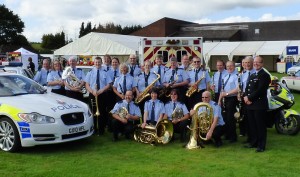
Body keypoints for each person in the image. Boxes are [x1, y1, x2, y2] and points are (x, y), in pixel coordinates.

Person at [243, 56, 271, 152]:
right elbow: (247, 88)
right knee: (252, 125)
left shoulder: (264, 75)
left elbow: (260, 90)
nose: (255, 64)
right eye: (254, 62)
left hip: (259, 105)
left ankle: (261, 146)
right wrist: (246, 97)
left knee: (260, 126)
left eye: (258, 62)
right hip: (250, 105)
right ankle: (254, 143)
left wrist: (249, 98)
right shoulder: (253, 75)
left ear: (262, 64)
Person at [85, 56, 112, 135]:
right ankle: (94, 129)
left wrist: (101, 90)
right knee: (93, 112)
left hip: (102, 94)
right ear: (94, 62)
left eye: (99, 62)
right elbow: (87, 85)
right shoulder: (90, 72)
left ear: (101, 63)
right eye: (96, 62)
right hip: (93, 94)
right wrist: (92, 91)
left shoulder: (105, 72)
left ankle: (101, 129)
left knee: (102, 112)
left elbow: (109, 84)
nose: (97, 64)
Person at [218, 61, 238, 143]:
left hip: (232, 98)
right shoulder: (225, 76)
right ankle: (227, 134)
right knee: (225, 117)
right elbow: (222, 90)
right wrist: (219, 101)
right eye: (228, 66)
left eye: (231, 66)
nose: (229, 67)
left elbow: (238, 89)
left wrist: (227, 93)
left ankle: (233, 137)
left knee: (230, 118)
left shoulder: (236, 76)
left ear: (234, 66)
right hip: (224, 99)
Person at [238, 56, 256, 139]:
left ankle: (253, 136)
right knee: (244, 117)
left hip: (253, 98)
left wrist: (250, 97)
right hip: (244, 97)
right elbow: (241, 86)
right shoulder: (243, 74)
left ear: (252, 63)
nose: (247, 64)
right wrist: (240, 94)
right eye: (245, 63)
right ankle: (248, 136)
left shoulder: (256, 73)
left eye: (249, 62)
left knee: (252, 119)